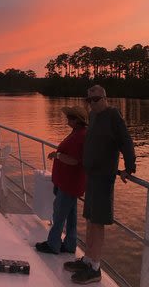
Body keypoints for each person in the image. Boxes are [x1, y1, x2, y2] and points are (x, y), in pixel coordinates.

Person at [64, 85, 135, 284]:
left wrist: (129, 167)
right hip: (92, 176)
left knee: (98, 223)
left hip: (104, 178)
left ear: (105, 98)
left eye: (96, 99)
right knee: (89, 218)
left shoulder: (113, 115)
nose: (92, 103)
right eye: (89, 100)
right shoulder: (93, 117)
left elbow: (126, 141)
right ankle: (87, 259)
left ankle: (95, 267)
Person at [35, 105, 88, 255]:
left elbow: (74, 160)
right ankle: (70, 244)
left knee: (59, 215)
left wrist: (57, 156)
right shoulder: (77, 133)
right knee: (70, 215)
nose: (68, 120)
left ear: (78, 121)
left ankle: (53, 244)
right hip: (68, 182)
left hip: (69, 182)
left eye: (71, 117)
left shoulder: (80, 136)